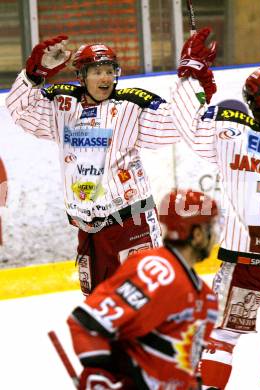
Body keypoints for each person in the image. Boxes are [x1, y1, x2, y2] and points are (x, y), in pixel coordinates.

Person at [171, 28, 260, 389]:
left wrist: (192, 75)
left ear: (252, 104)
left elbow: (185, 124)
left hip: (246, 263)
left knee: (223, 337)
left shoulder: (231, 135)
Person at [5, 35, 181, 295]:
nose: (105, 78)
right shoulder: (64, 106)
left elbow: (177, 124)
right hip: (88, 230)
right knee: (98, 305)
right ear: (82, 76)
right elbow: (19, 110)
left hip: (131, 223)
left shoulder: (130, 106)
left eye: (109, 71)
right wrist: (35, 73)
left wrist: (192, 87)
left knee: (145, 300)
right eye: (97, 71)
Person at [67, 188, 218, 389]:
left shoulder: (205, 298)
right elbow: (88, 323)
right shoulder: (156, 271)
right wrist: (99, 374)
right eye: (212, 228)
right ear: (197, 234)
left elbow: (179, 368)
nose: (215, 236)